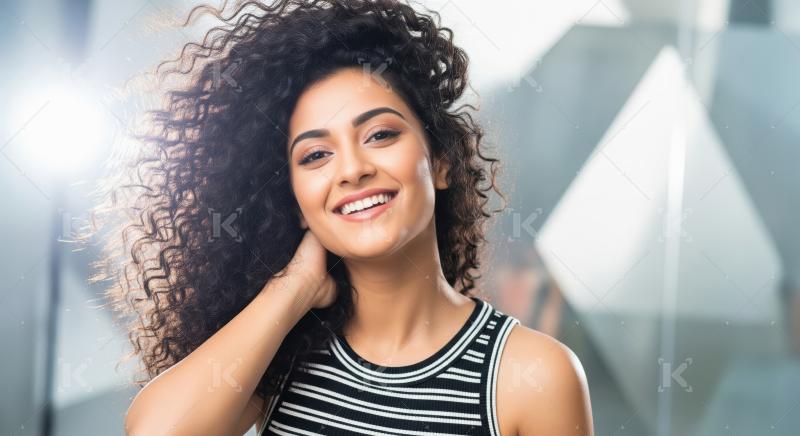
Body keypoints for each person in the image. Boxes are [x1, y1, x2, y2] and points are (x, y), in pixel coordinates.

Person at [88, 1, 594, 434]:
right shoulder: (285, 353)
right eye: (315, 156)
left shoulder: (531, 376)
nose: (352, 169)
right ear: (293, 198)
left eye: (380, 135)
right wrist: (291, 290)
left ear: (440, 161)